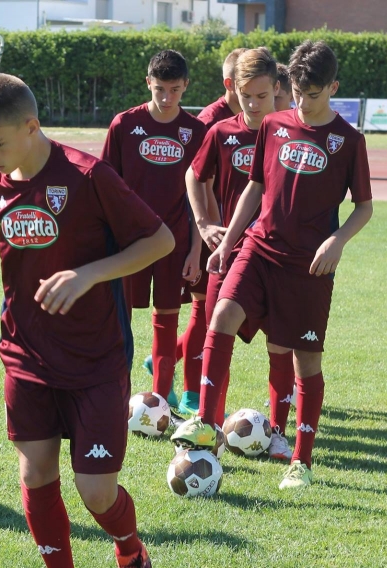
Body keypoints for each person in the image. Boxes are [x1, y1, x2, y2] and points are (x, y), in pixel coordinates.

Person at [0, 74, 174, 568]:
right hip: (25, 352)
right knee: (35, 474)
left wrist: (88, 274)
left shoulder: (88, 176)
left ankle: (129, 548)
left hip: (96, 357)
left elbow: (160, 241)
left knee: (96, 492)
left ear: (32, 126)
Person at [172, 40, 373, 490]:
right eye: (297, 93)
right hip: (259, 248)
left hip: (309, 267)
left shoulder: (349, 140)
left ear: (333, 88)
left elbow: (364, 207)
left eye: (312, 95)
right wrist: (227, 241)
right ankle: (205, 420)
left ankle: (301, 461)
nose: (302, 103)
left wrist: (338, 240)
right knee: (221, 315)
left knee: (305, 360)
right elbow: (256, 188)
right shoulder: (275, 124)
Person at [185, 48, 286, 458]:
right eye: (246, 96)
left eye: (262, 96)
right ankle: (209, 423)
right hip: (229, 253)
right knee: (217, 331)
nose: (254, 104)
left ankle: (279, 431)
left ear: (276, 89)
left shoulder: (291, 134)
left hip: (279, 256)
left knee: (281, 345)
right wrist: (204, 224)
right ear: (234, 90)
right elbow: (194, 175)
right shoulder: (221, 132)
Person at [102, 50, 205, 414]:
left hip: (174, 244)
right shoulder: (124, 125)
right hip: (129, 245)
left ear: (186, 85)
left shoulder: (196, 132)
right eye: (160, 88)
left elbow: (200, 200)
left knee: (166, 322)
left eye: (174, 89)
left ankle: (159, 403)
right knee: (120, 323)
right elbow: (104, 188)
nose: (166, 97)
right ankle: (115, 397)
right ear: (148, 82)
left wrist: (196, 251)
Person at [167, 47, 248, 419]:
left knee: (217, 312)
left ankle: (170, 356)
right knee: (205, 309)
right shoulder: (212, 121)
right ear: (231, 84)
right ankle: (190, 391)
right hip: (209, 234)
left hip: (234, 234)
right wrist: (206, 234)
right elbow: (199, 183)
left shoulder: (257, 119)